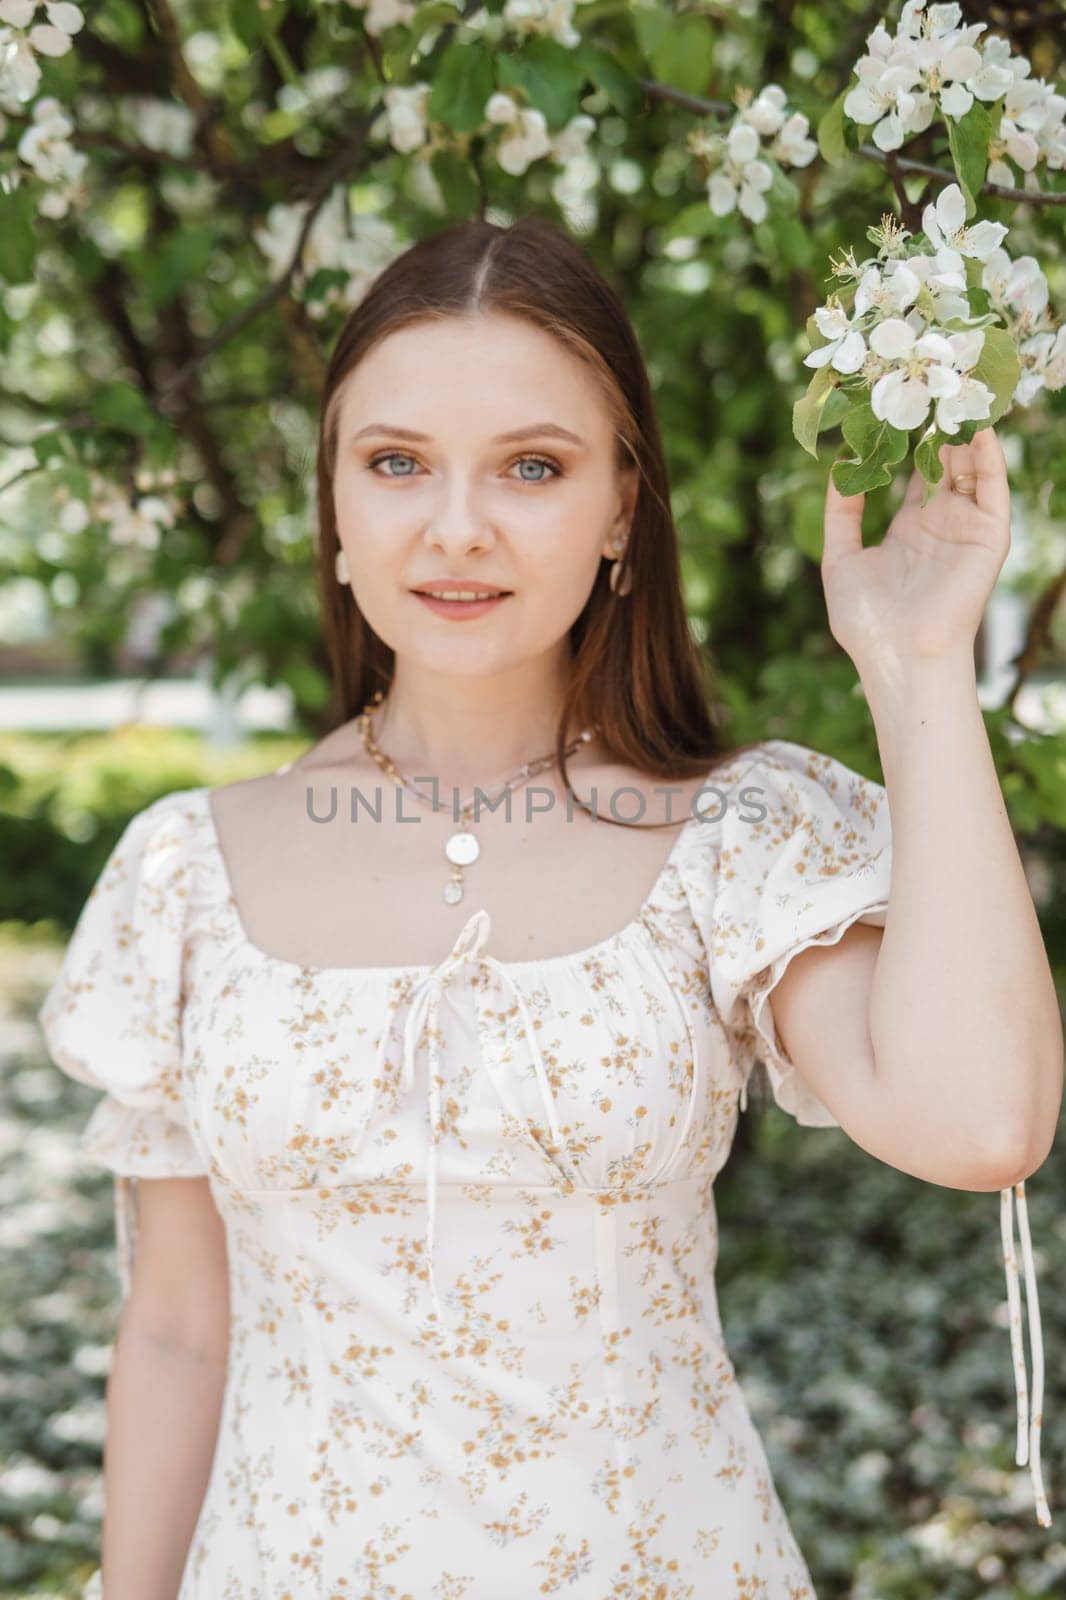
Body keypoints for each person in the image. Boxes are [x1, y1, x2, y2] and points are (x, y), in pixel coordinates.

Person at [38, 215, 1060, 1598]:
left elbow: (977, 1124)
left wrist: (917, 661)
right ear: (334, 501)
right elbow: (175, 1333)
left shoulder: (735, 839)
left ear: (622, 504)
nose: (455, 526)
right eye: (396, 463)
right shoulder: (183, 876)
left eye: (532, 465)